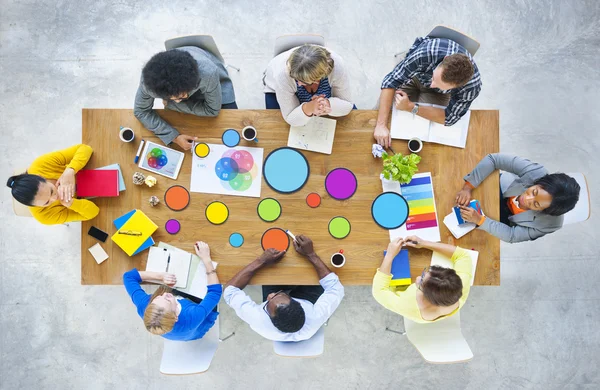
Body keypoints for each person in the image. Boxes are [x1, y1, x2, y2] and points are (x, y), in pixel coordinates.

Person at [224, 235, 344, 341]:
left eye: (268, 302)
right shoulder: (315, 317)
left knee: (270, 271)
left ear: (269, 317)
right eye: (277, 295)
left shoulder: (258, 319)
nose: (270, 295)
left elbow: (229, 291)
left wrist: (261, 261)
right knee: (313, 276)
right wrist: (311, 254)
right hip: (307, 300)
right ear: (297, 302)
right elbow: (336, 288)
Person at [373, 36, 482, 147]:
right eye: (435, 78)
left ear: (459, 86)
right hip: (415, 74)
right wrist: (381, 125)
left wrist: (411, 107)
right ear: (445, 58)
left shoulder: (472, 87)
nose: (432, 85)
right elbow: (391, 81)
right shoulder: (426, 53)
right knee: (378, 117)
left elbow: (449, 117)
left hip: (440, 94)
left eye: (440, 85)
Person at [456, 154, 580, 243]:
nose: (526, 199)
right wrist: (467, 188)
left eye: (535, 204)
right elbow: (494, 160)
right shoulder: (537, 172)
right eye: (534, 191)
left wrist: (480, 220)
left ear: (546, 211)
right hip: (504, 188)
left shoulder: (550, 224)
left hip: (506, 218)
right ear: (540, 181)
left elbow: (512, 235)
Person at [134, 47, 237, 150]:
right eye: (171, 98)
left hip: (217, 85)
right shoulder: (148, 83)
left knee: (233, 127)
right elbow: (140, 111)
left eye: (181, 96)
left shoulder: (207, 73)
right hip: (188, 81)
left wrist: (170, 104)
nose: (178, 101)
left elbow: (213, 110)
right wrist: (174, 137)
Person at [123, 241, 222, 340]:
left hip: (178, 329)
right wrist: (206, 259)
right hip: (197, 327)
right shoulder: (192, 317)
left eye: (158, 297)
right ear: (175, 317)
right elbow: (215, 292)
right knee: (209, 297)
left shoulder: (146, 307)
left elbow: (128, 277)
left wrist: (160, 276)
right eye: (168, 300)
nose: (165, 294)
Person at [372, 236, 472, 323]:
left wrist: (389, 255)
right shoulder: (460, 287)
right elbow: (463, 256)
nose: (418, 277)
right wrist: (423, 243)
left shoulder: (407, 305)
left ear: (427, 296)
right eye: (426, 273)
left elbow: (379, 292)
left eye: (421, 283)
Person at [6, 144, 99, 225]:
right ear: (35, 207)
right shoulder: (44, 216)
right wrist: (72, 203)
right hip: (89, 200)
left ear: (41, 176)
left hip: (92, 170)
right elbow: (94, 212)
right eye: (46, 203)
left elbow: (86, 148)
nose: (55, 198)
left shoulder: (40, 165)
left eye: (51, 191)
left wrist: (70, 170)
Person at [263, 44, 354, 126]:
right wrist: (309, 108)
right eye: (296, 79)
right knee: (276, 125)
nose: (298, 83)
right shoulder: (282, 75)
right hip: (276, 89)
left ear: (318, 78)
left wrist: (328, 104)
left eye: (303, 81)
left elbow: (347, 104)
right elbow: (290, 117)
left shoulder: (338, 66)